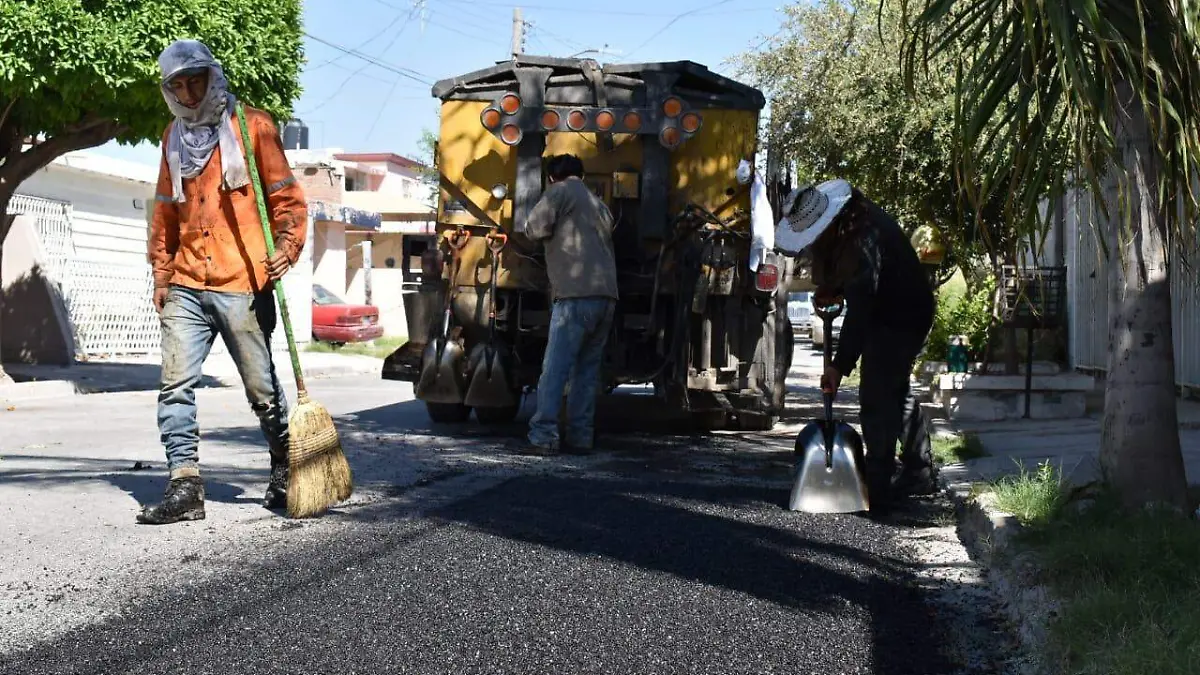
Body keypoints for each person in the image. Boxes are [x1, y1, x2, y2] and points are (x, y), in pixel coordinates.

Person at [138, 39, 308, 525]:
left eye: (196, 81)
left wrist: (286, 248)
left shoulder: (253, 127)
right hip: (187, 280)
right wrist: (161, 274)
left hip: (242, 278)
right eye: (178, 85)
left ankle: (285, 464)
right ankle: (185, 486)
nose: (189, 92)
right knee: (174, 386)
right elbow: (166, 213)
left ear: (212, 77)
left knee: (262, 390)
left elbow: (288, 202)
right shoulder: (172, 137)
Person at [775, 179, 937, 515]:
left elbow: (861, 311)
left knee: (878, 390)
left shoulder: (863, 238)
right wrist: (830, 288)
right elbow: (841, 274)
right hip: (892, 308)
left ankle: (877, 482)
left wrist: (839, 365)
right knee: (896, 389)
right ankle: (918, 471)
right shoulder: (850, 223)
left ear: (827, 222)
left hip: (904, 314)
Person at [516, 154, 619, 454]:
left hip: (575, 297)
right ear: (582, 175)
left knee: (555, 369)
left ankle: (544, 435)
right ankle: (580, 437)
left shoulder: (559, 192)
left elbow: (533, 229)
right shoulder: (599, 204)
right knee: (586, 372)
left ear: (551, 177)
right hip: (606, 297)